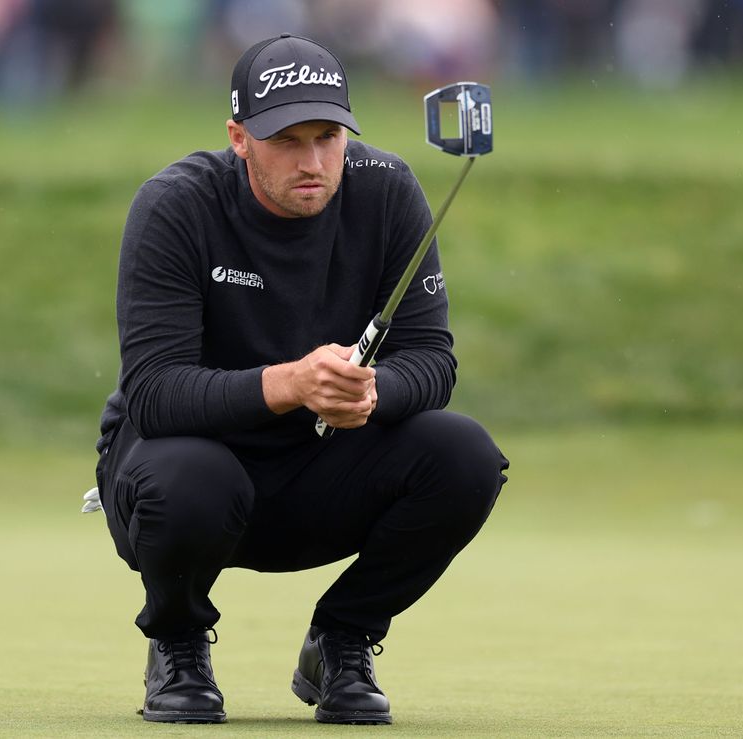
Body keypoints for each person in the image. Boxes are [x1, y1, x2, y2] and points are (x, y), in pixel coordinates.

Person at [93, 33, 509, 725]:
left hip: (323, 473)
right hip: (189, 470)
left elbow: (432, 360)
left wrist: (375, 392)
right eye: (287, 139)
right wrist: (289, 383)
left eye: (327, 136)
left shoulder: (388, 191)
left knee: (464, 455)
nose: (313, 161)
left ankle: (342, 640)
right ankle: (178, 641)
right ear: (238, 136)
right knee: (188, 478)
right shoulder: (176, 206)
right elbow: (156, 394)